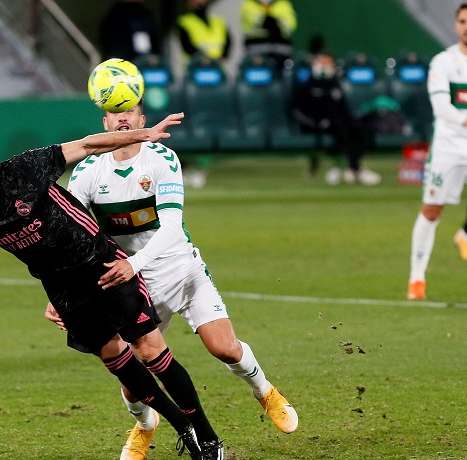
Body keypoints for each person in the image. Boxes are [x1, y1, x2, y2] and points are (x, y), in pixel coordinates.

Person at [0, 113, 224, 460]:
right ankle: (181, 425)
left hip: (103, 264)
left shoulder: (24, 169)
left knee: (150, 348)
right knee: (115, 357)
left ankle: (207, 436)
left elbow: (89, 145)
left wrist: (142, 134)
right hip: (63, 289)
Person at [46, 101, 297, 460]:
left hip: (178, 267)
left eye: (129, 111)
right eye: (114, 112)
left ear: (141, 120)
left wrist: (135, 262)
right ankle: (146, 427)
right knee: (133, 382)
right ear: (104, 122)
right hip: (131, 283)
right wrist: (61, 292)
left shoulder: (161, 159)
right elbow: (74, 238)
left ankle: (264, 391)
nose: (122, 118)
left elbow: (171, 227)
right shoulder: (87, 172)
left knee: (223, 347)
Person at [408, 3, 467, 300]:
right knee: (432, 211)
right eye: (462, 21)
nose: (466, 26)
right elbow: (442, 107)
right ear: (456, 25)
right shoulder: (443, 62)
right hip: (448, 145)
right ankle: (417, 279)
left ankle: (465, 234)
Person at [291, 52, 381, 186]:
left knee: (358, 129)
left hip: (337, 122)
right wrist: (314, 123)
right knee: (343, 131)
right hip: (315, 125)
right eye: (322, 62)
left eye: (328, 63)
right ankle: (352, 169)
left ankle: (350, 168)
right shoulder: (305, 84)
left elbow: (343, 108)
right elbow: (297, 110)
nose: (325, 66)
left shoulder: (335, 84)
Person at [240, 0, 297, 70]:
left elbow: (289, 25)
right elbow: (252, 21)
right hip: (256, 49)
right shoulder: (249, 4)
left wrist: (273, 22)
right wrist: (271, 22)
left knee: (287, 71)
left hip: (280, 50)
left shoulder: (283, 3)